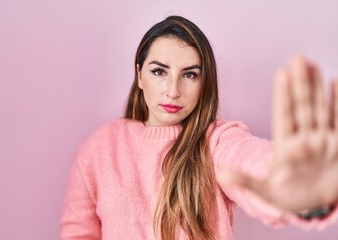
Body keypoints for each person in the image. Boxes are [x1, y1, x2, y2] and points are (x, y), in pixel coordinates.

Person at [60, 15, 338, 240]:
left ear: (204, 83)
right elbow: (78, 233)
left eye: (190, 75)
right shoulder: (98, 147)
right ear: (139, 75)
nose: (173, 90)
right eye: (159, 72)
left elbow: (245, 157)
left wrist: (292, 183)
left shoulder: (217, 140)